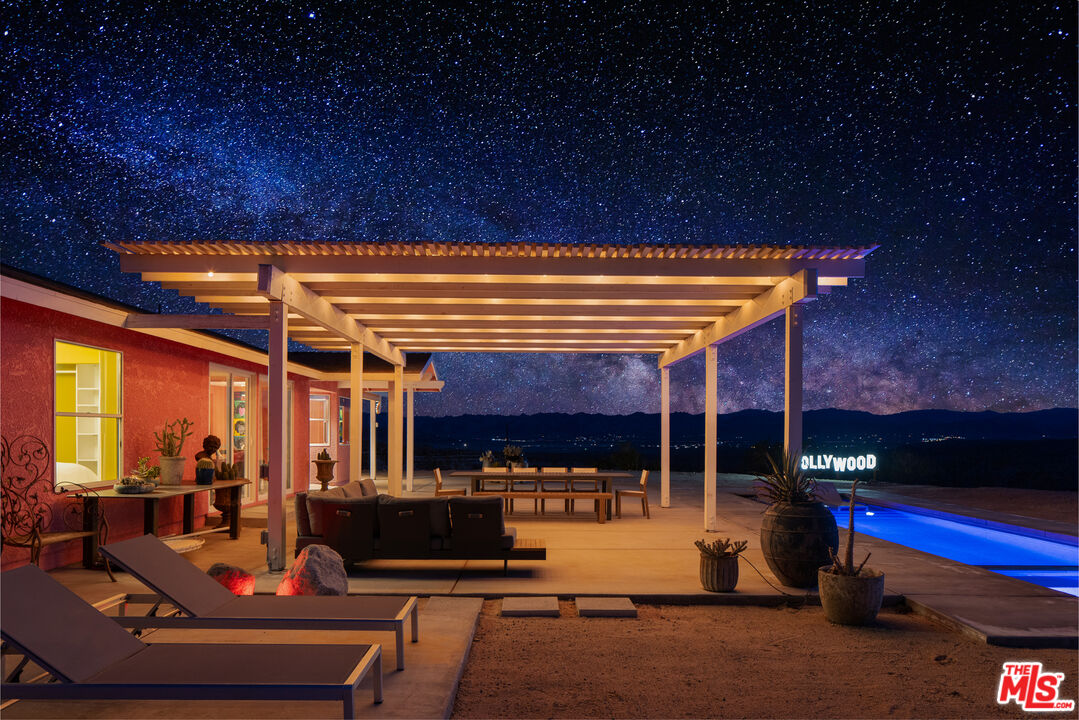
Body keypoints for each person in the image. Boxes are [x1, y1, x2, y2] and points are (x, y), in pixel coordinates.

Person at [194, 435, 229, 527]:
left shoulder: (209, 459)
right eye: (211, 447)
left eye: (215, 448)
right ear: (205, 445)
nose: (213, 449)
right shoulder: (201, 456)